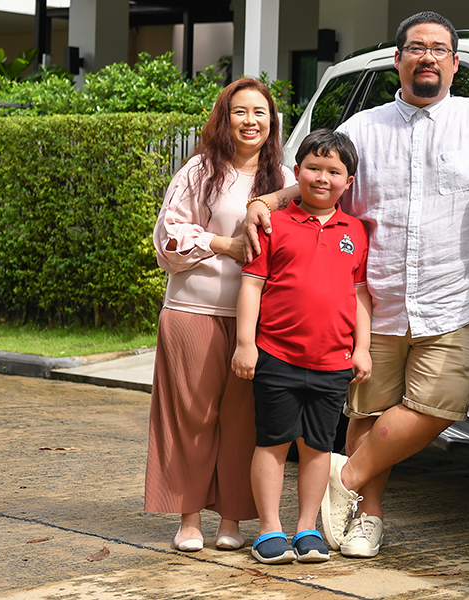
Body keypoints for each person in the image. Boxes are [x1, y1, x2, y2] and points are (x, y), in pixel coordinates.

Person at [244, 11, 469, 557]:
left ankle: (341, 484)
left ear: (455, 63)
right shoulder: (363, 128)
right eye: (416, 48)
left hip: (452, 297)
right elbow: (315, 183)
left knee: (440, 406)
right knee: (366, 414)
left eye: (439, 49)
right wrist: (266, 202)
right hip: (376, 299)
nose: (428, 57)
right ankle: (366, 518)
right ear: (398, 60)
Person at [146, 78, 295, 552]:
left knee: (243, 421)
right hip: (193, 310)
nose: (250, 121)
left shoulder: (287, 180)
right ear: (223, 118)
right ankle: (190, 519)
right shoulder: (199, 170)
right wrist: (223, 244)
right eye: (239, 111)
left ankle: (232, 520)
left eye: (260, 112)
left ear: (272, 122)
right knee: (193, 416)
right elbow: (167, 237)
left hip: (259, 322)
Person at [231, 129, 373, 564]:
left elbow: (361, 295)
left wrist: (362, 349)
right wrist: (244, 344)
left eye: (334, 172)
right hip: (277, 354)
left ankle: (306, 527)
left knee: (317, 447)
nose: (322, 178)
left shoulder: (356, 231)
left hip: (333, 362)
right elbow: (252, 285)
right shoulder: (274, 224)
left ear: (348, 182)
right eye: (313, 168)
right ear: (297, 173)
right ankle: (269, 529)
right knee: (273, 442)